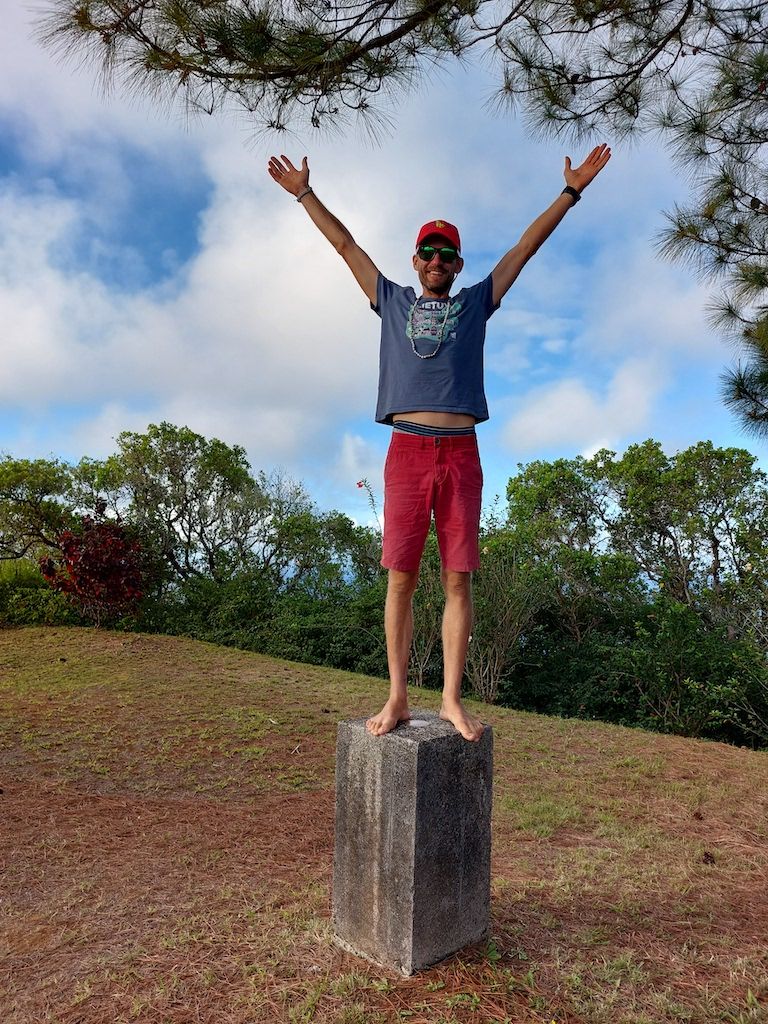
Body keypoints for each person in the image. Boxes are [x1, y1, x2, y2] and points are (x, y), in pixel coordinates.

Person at [268, 144, 611, 741]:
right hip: (406, 450)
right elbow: (346, 245)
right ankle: (398, 695)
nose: (435, 260)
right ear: (416, 258)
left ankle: (451, 699)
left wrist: (571, 191)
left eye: (446, 254)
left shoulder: (476, 305)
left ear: (456, 265)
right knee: (400, 576)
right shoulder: (392, 300)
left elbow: (524, 249)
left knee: (458, 579)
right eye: (428, 250)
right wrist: (303, 193)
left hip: (461, 454)